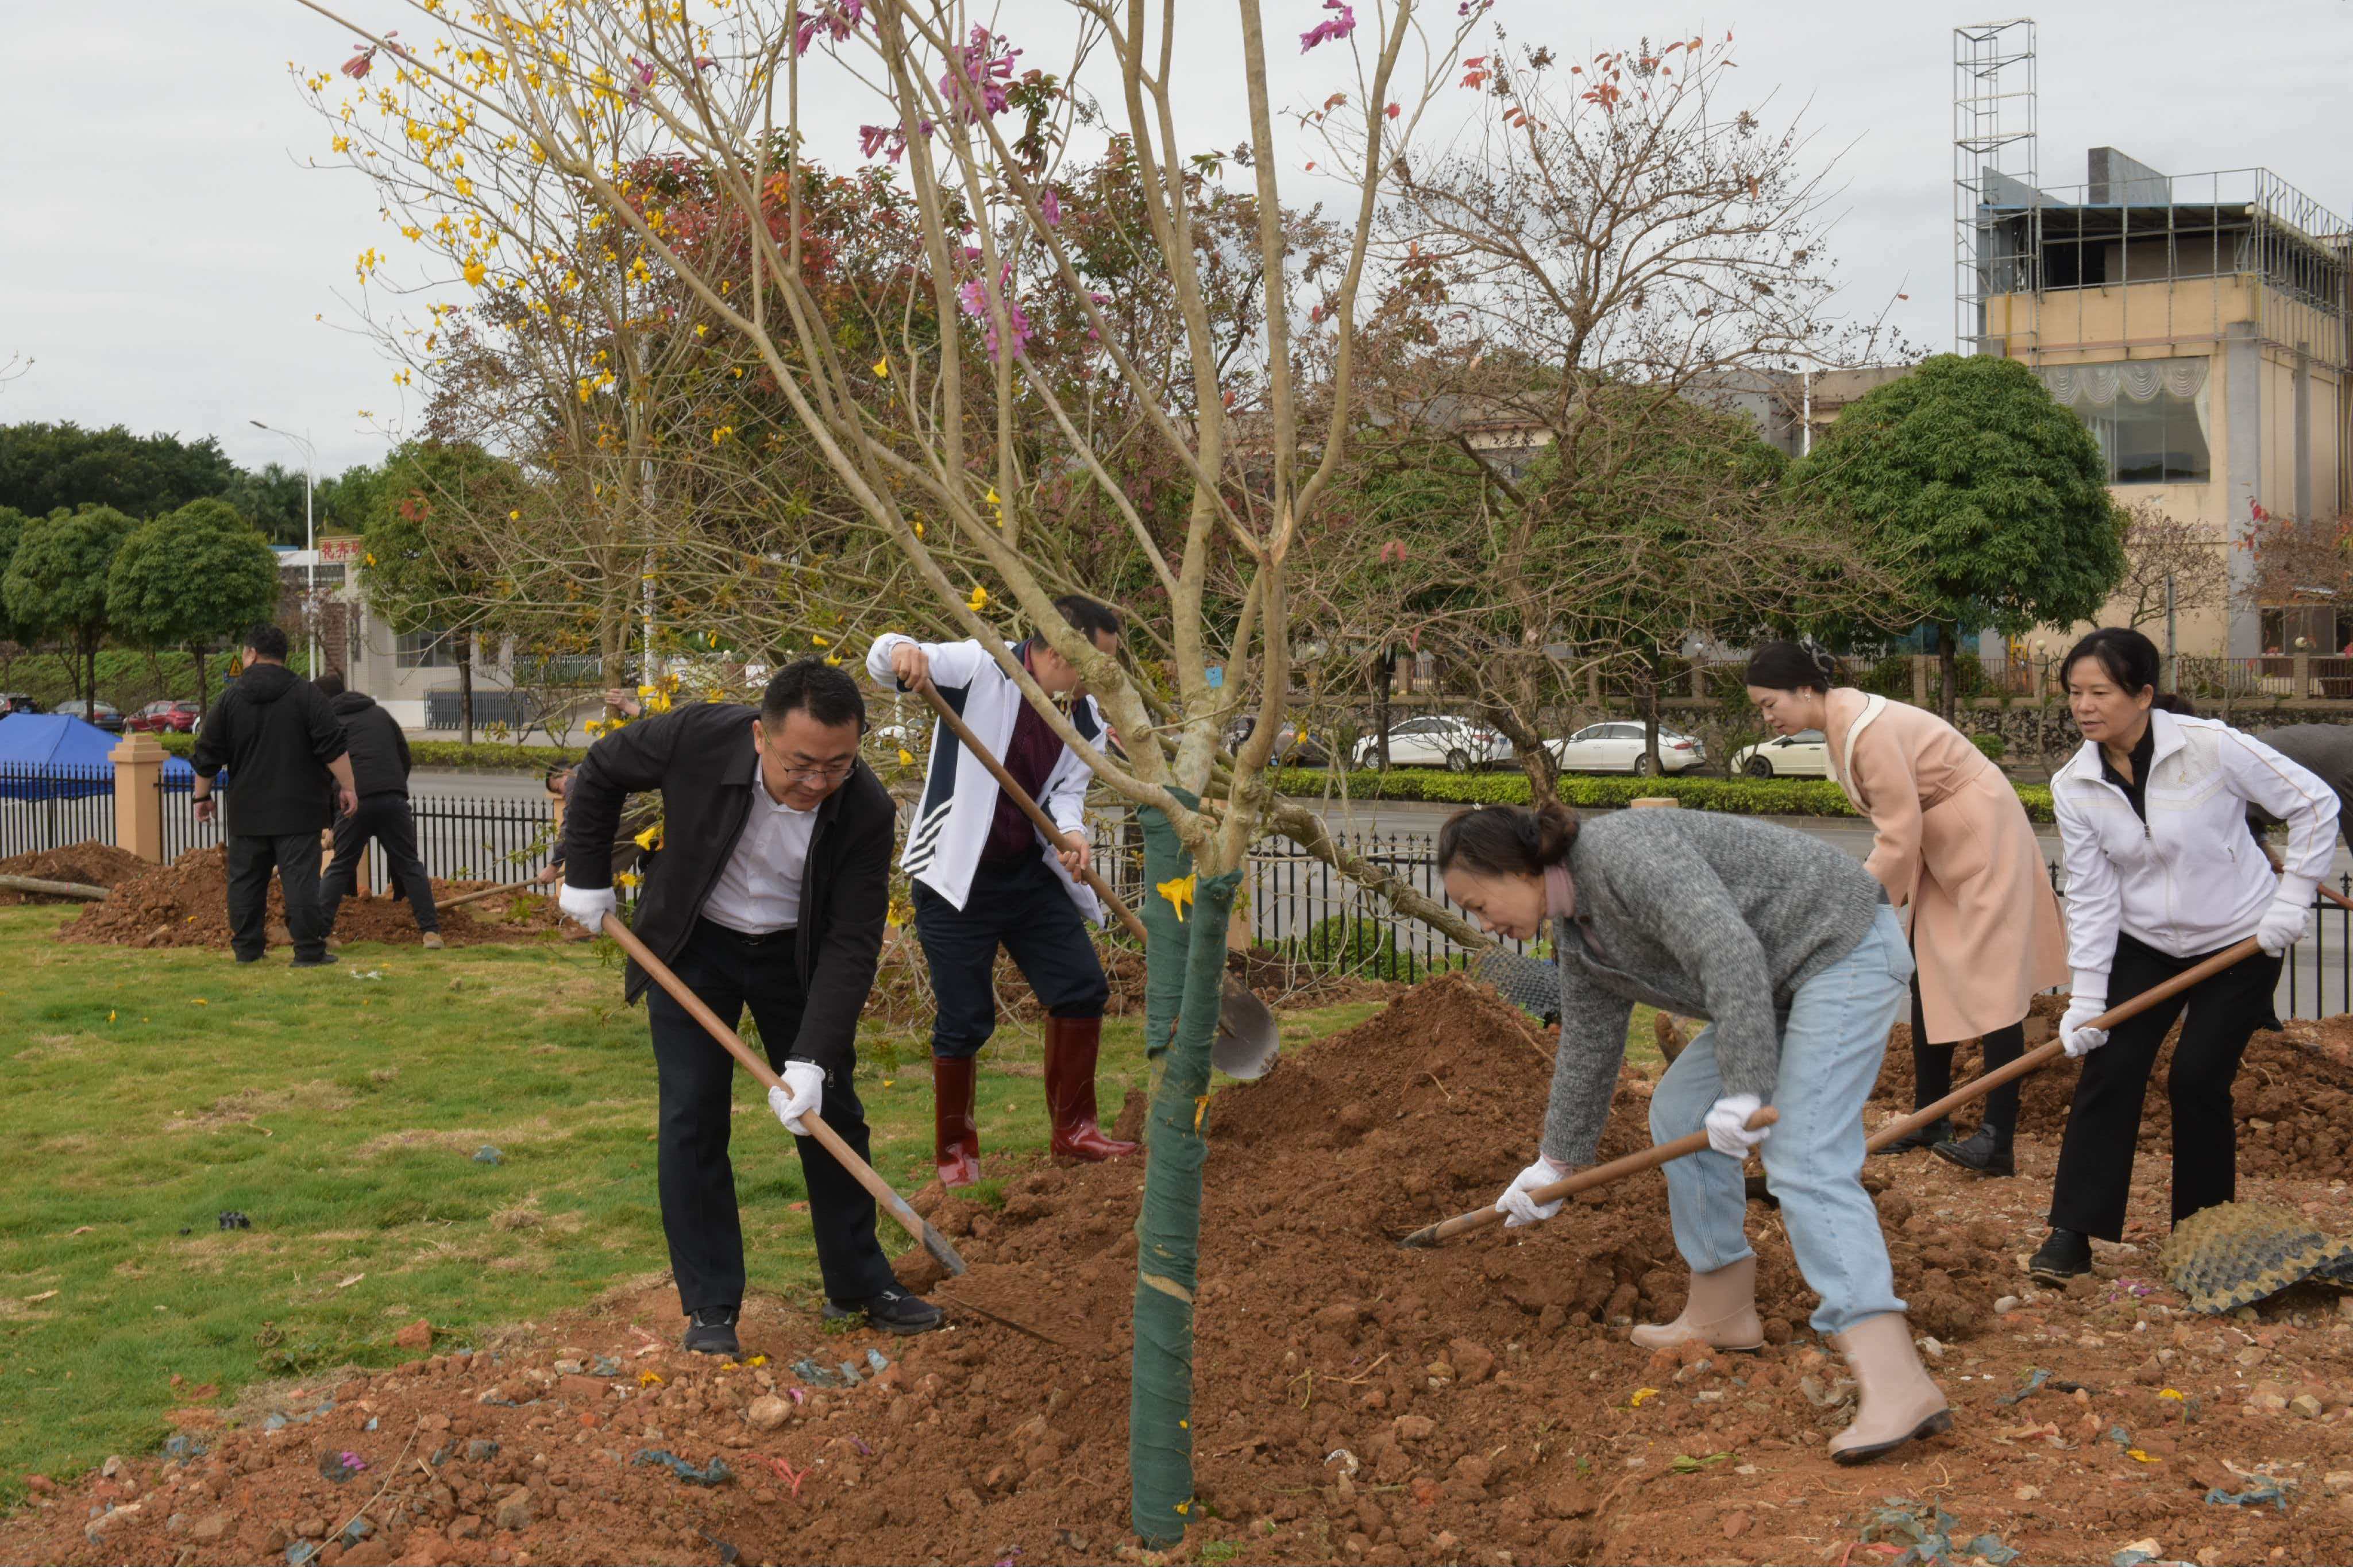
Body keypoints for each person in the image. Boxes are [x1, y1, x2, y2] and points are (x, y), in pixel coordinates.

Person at [1440, 801, 1950, 1465]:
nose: (1484, 923)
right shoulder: (1578, 935)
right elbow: (1590, 1047)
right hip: (1776, 983)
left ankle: (1897, 1380)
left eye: (1480, 903)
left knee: (1802, 1159)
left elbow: (1724, 947)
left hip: (1838, 950)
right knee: (1680, 1113)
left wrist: (1743, 1088)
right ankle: (1721, 1308)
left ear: (1519, 867)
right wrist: (1554, 1164)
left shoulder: (1621, 854)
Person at [555, 659, 939, 1351]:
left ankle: (859, 1282)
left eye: (838, 765)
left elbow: (852, 942)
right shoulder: (699, 735)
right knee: (692, 1115)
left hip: (796, 954)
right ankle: (710, 1308)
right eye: (801, 765)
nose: (818, 783)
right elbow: (605, 766)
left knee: (830, 1114)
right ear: (760, 737)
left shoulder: (865, 809)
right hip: (694, 946)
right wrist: (587, 878)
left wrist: (813, 1059)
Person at [2029, 629, 2337, 1281]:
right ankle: (2072, 1233)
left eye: (2099, 692)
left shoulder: (2211, 747)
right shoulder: (2075, 783)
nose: (2083, 706)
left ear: (2143, 694)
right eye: (2074, 694)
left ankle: (2204, 1238)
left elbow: (2314, 803)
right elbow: (2089, 893)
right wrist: (2086, 996)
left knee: (2197, 1078)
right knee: (2109, 1071)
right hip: (2145, 944)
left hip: (2240, 941)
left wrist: (2290, 901)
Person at [1745, 642, 2067, 1177]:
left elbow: (1898, 834)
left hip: (1978, 831)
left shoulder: (1866, 732)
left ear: (1805, 690)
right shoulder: (1840, 724)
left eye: (1769, 702)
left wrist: (1854, 909)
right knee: (1927, 971)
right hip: (1938, 843)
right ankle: (1930, 1117)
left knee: (1995, 979)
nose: (1767, 715)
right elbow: (1901, 832)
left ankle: (1998, 1138)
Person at [867, 596, 1135, 1189]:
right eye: (1099, 659)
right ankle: (956, 1154)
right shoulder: (981, 666)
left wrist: (1069, 832)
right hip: (954, 878)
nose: (1105, 674)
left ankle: (1075, 1132)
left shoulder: (1083, 716)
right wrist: (903, 651)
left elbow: (1066, 791)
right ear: (1063, 651)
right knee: (964, 1019)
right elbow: (886, 658)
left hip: (1025, 876)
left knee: (1080, 987)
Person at [190, 625, 358, 968]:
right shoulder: (307, 695)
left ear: (251, 653)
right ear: (283, 657)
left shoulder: (230, 699)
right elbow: (333, 746)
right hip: (299, 811)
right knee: (301, 883)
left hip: (247, 811)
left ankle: (248, 951)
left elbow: (208, 752)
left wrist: (201, 797)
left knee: (245, 882)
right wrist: (348, 787)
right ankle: (309, 952)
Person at [311, 673, 442, 950]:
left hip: (354, 801)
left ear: (322, 700)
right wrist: (393, 787)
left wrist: (331, 822)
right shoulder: (380, 715)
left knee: (341, 865)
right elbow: (404, 756)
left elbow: (322, 775)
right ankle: (431, 933)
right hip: (393, 799)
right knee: (409, 864)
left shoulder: (329, 722)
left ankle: (318, 933)